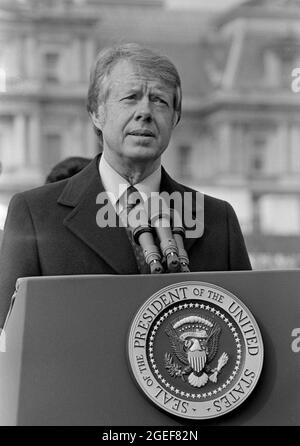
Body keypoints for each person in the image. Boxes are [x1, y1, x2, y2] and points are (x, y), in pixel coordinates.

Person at [0, 43, 251, 328]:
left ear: (175, 118)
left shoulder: (217, 220)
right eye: (131, 98)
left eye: (159, 101)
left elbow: (244, 331)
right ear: (97, 112)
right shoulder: (35, 214)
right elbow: (8, 339)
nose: (145, 111)